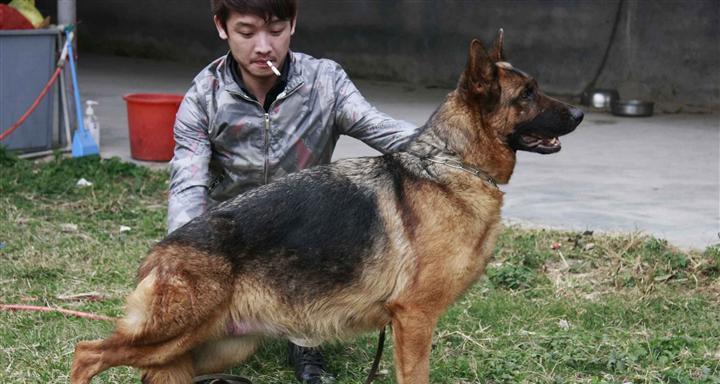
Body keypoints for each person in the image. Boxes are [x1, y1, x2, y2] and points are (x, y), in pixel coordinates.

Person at [167, 0, 420, 382]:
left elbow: (383, 130)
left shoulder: (324, 82)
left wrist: (456, 143)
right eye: (247, 32)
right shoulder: (204, 97)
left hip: (306, 233)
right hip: (232, 238)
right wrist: (181, 263)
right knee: (188, 339)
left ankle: (307, 347)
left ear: (294, 24)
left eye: (276, 30)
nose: (263, 47)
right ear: (222, 27)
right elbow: (187, 186)